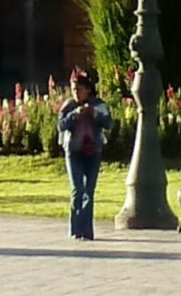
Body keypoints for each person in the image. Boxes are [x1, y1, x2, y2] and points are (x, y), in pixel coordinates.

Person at [57, 69, 112, 241]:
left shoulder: (98, 104)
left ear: (87, 89)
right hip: (74, 152)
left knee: (89, 191)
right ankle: (76, 229)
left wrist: (96, 115)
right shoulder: (69, 106)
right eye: (73, 89)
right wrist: (74, 115)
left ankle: (87, 231)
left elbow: (109, 123)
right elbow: (60, 125)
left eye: (79, 89)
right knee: (77, 190)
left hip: (93, 152)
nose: (76, 93)